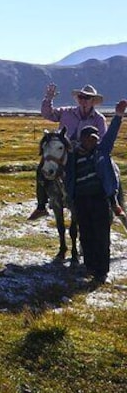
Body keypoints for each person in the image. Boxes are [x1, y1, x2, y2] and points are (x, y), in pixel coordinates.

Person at [65, 99, 127, 284]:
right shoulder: (73, 156)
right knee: (86, 234)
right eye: (89, 138)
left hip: (99, 199)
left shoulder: (102, 152)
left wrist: (118, 116)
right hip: (81, 200)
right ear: (82, 140)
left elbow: (112, 135)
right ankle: (90, 266)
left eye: (95, 138)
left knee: (101, 235)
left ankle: (102, 270)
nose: (93, 141)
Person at [28, 83, 108, 221]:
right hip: (62, 151)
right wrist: (48, 98)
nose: (83, 100)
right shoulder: (66, 112)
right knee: (42, 168)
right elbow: (48, 114)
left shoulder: (99, 119)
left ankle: (109, 200)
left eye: (87, 98)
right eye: (81, 97)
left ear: (93, 101)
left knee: (104, 170)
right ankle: (41, 206)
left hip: (85, 153)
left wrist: (87, 146)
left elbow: (103, 140)